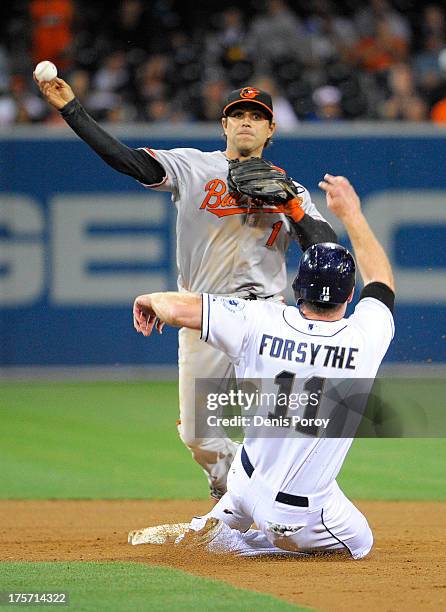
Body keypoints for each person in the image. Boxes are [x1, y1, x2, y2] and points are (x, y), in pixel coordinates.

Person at [35, 76, 336, 500]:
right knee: (199, 435)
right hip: (205, 312)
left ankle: (279, 511)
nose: (246, 122)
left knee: (276, 430)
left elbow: (326, 251)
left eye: (257, 117)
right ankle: (228, 488)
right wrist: (72, 111)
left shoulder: (291, 190)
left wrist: (291, 208)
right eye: (238, 115)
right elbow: (127, 161)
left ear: (271, 130)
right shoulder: (193, 166)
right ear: (224, 125)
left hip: (267, 317)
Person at [130, 174, 395, 559]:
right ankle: (246, 547)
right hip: (295, 513)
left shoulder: (260, 318)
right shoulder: (366, 336)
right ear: (350, 295)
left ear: (297, 287)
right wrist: (351, 214)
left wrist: (150, 299)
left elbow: (182, 307)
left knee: (254, 475)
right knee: (360, 544)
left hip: (244, 479)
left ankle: (222, 524)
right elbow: (382, 283)